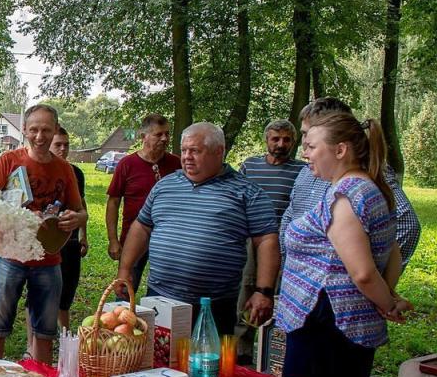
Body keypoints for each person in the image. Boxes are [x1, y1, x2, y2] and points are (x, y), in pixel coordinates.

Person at [276, 110, 411, 377]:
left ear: (341, 149)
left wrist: (386, 302)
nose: (305, 153)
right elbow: (388, 251)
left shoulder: (347, 194)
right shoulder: (372, 188)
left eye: (311, 145)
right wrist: (387, 300)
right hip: (347, 325)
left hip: (325, 325)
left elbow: (364, 272)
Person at [116, 122, 279, 334]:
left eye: (195, 151)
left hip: (214, 305)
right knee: (157, 361)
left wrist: (263, 291)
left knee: (207, 364)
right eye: (184, 150)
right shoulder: (165, 185)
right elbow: (141, 227)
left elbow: (267, 240)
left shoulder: (246, 192)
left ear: (219, 152)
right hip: (160, 298)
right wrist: (125, 269)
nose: (186, 157)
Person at [0, 104, 87, 365]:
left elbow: (80, 211)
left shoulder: (65, 169)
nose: (40, 137)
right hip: (9, 258)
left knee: (45, 334)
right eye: (34, 130)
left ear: (55, 130)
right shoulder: (8, 161)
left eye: (46, 130)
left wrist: (76, 219)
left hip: (49, 261)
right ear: (24, 130)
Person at [281, 97, 421, 271]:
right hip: (294, 279)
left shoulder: (364, 174)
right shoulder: (306, 171)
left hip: (330, 292)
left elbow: (407, 224)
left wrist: (374, 278)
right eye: (303, 134)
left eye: (307, 134)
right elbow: (292, 212)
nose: (304, 142)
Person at [236, 119, 305, 353]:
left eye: (286, 139)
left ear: (293, 142)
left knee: (278, 294)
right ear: (266, 140)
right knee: (246, 288)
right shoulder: (250, 166)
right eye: (276, 139)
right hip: (252, 239)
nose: (280, 144)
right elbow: (237, 197)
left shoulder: (302, 171)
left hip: (284, 241)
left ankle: (272, 353)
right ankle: (241, 350)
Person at [105, 114, 182, 290]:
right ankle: (123, 316)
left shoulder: (176, 164)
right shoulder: (127, 164)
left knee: (165, 291)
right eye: (159, 134)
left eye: (167, 134)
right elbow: (113, 203)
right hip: (134, 238)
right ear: (143, 136)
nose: (165, 139)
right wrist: (113, 240)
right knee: (125, 290)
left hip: (167, 240)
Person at [27, 127, 88, 343]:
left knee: (65, 296)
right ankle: (30, 344)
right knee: (37, 296)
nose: (63, 149)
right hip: (42, 244)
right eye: (58, 145)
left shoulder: (75, 173)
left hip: (69, 243)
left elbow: (81, 206)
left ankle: (64, 341)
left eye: (66, 145)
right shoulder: (33, 170)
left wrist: (83, 235)